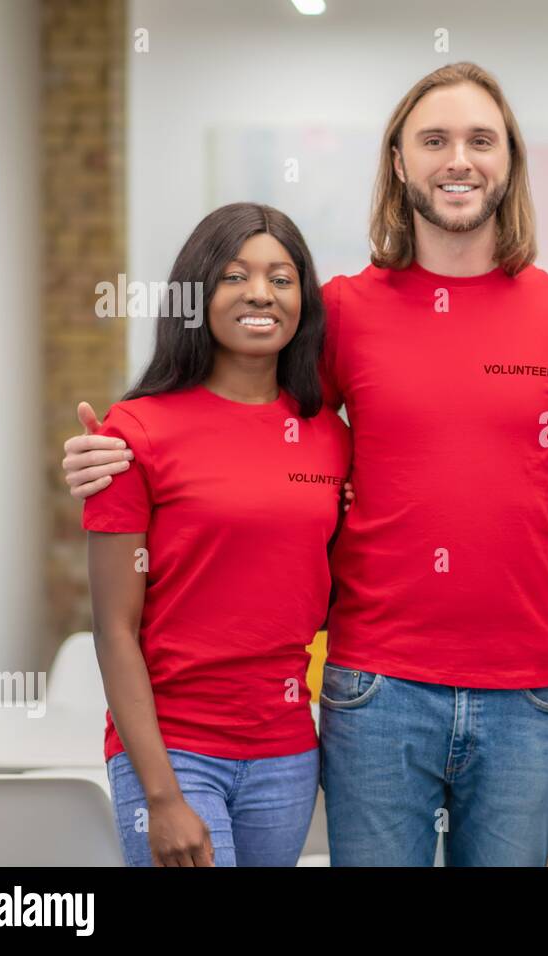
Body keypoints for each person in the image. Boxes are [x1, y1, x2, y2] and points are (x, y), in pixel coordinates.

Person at [64, 63, 548, 866]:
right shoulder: (340, 311)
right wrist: (119, 447)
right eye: (435, 140)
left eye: (481, 140)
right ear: (398, 162)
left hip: (527, 692)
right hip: (377, 690)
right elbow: (233, 395)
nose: (460, 157)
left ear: (510, 162)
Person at [84, 203, 351, 867]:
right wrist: (162, 794)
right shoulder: (134, 433)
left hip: (286, 752)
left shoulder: (332, 438)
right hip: (174, 753)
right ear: (196, 294)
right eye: (235, 276)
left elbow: (323, 595)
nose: (261, 293)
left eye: (282, 278)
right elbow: (115, 629)